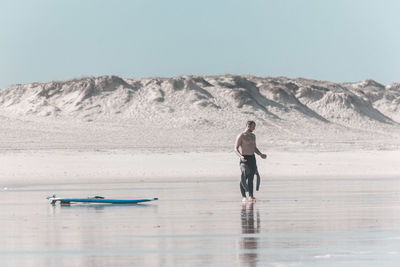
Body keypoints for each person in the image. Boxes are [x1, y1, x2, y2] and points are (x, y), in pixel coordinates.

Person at [234, 121, 267, 202]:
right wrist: (240, 156)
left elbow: (254, 148)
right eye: (253, 127)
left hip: (252, 157)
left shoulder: (253, 136)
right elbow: (235, 148)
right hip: (244, 158)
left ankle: (251, 196)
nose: (254, 128)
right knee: (244, 176)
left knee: (251, 178)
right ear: (248, 126)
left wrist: (260, 154)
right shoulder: (241, 135)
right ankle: (244, 196)